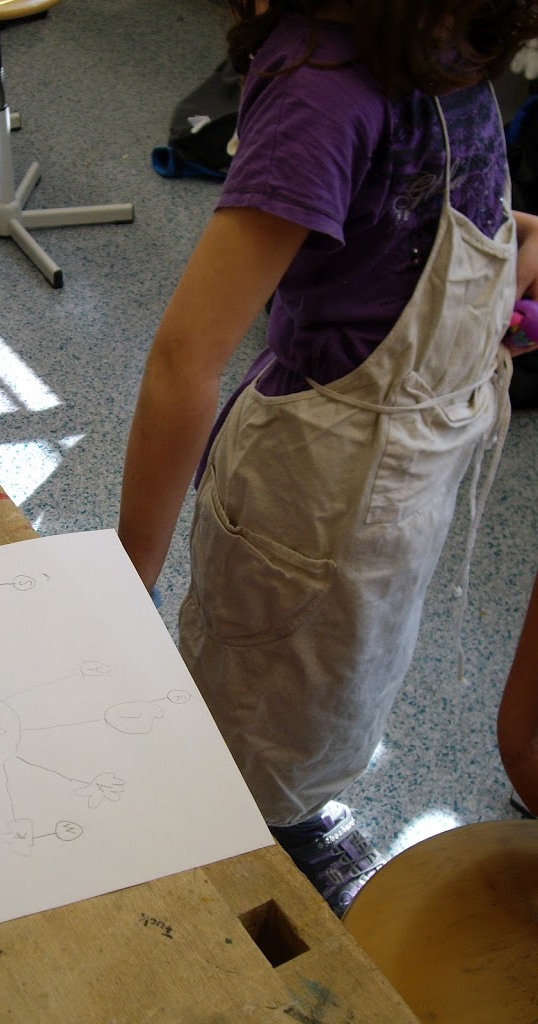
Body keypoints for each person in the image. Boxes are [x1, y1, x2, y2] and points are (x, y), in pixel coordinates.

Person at [118, 0, 538, 915]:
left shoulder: (448, 41)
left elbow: (413, 209)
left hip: (408, 467)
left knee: (340, 684)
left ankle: (288, 815)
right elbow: (184, 358)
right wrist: (122, 581)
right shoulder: (321, 90)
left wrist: (504, 270)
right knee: (264, 704)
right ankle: (237, 854)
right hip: (315, 488)